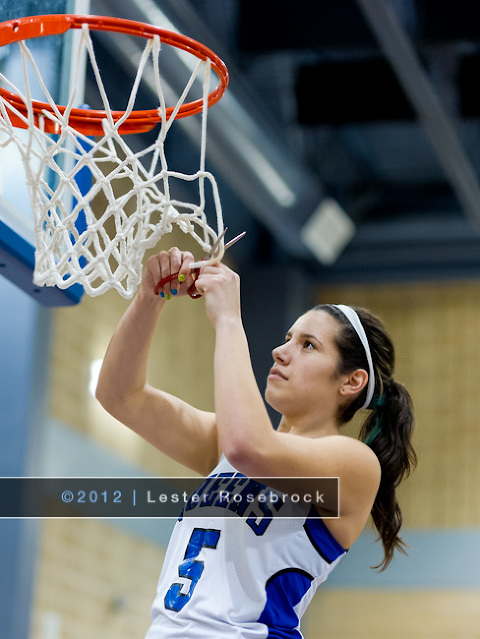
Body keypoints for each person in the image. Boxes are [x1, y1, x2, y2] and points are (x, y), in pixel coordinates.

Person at [96, 247, 416, 638]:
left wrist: (229, 320)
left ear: (352, 381)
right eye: (287, 338)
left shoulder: (353, 463)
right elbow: (119, 395)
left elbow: (248, 448)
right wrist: (150, 298)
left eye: (308, 345)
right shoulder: (228, 445)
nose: (280, 352)